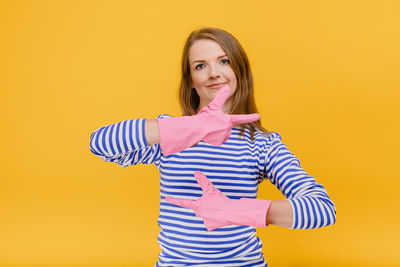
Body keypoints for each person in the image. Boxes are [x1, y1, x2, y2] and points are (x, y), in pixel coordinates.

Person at [89, 27, 336, 266]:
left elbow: (322, 209)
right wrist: (189, 127)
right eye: (200, 66)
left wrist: (236, 210)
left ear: (241, 72)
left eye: (224, 61)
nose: (214, 73)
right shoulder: (170, 133)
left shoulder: (262, 144)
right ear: (192, 83)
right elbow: (100, 144)